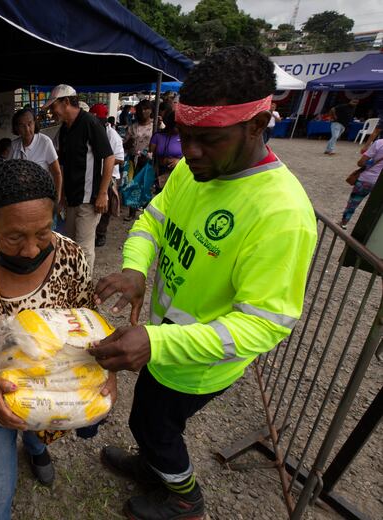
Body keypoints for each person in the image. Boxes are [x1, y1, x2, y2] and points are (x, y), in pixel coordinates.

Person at [91, 46, 317, 519]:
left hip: (200, 363)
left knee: (156, 426)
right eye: (183, 135)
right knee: (146, 419)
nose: (189, 152)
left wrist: (156, 342)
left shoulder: (281, 214)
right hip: (162, 342)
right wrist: (135, 267)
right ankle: (153, 467)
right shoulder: (197, 172)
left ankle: (186, 499)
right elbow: (153, 219)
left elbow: (265, 326)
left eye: (208, 139)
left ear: (257, 124)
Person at [0, 159, 117, 519]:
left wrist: (110, 375)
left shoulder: (71, 256)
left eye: (43, 233)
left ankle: (35, 444)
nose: (31, 250)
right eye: (15, 236)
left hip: (52, 385)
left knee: (38, 430)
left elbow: (87, 326)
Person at [43, 84, 114, 274]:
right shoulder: (65, 130)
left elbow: (109, 157)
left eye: (53, 107)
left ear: (66, 102)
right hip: (73, 199)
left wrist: (102, 193)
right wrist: (63, 197)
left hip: (89, 200)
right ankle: (74, 283)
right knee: (71, 244)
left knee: (83, 247)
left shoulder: (90, 122)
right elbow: (64, 166)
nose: (52, 112)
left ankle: (83, 290)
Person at [88, 104, 125, 247]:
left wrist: (103, 161)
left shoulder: (113, 136)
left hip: (108, 177)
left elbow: (120, 159)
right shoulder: (91, 131)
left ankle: (101, 234)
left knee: (105, 208)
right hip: (93, 175)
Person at [9, 108, 62, 197]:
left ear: (34, 123)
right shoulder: (14, 146)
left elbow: (57, 173)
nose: (27, 129)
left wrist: (57, 198)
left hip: (42, 196)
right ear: (16, 128)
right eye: (22, 125)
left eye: (30, 124)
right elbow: (9, 174)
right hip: (21, 197)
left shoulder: (45, 142)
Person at [340, 138, 383, 229]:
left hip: (366, 180)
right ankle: (369, 229)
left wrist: (370, 163)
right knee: (375, 208)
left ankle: (344, 222)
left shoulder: (379, 143)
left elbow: (361, 163)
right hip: (380, 184)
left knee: (353, 203)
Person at [123, 100, 155, 220]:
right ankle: (132, 212)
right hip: (133, 160)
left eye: (146, 109)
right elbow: (124, 145)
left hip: (147, 160)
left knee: (146, 185)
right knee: (133, 184)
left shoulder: (154, 126)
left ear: (151, 110)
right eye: (141, 109)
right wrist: (129, 143)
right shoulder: (133, 127)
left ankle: (147, 212)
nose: (143, 112)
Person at [148, 110, 182, 192]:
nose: (177, 128)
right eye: (175, 126)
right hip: (158, 172)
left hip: (176, 175)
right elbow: (150, 155)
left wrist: (179, 161)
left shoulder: (184, 138)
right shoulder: (158, 136)